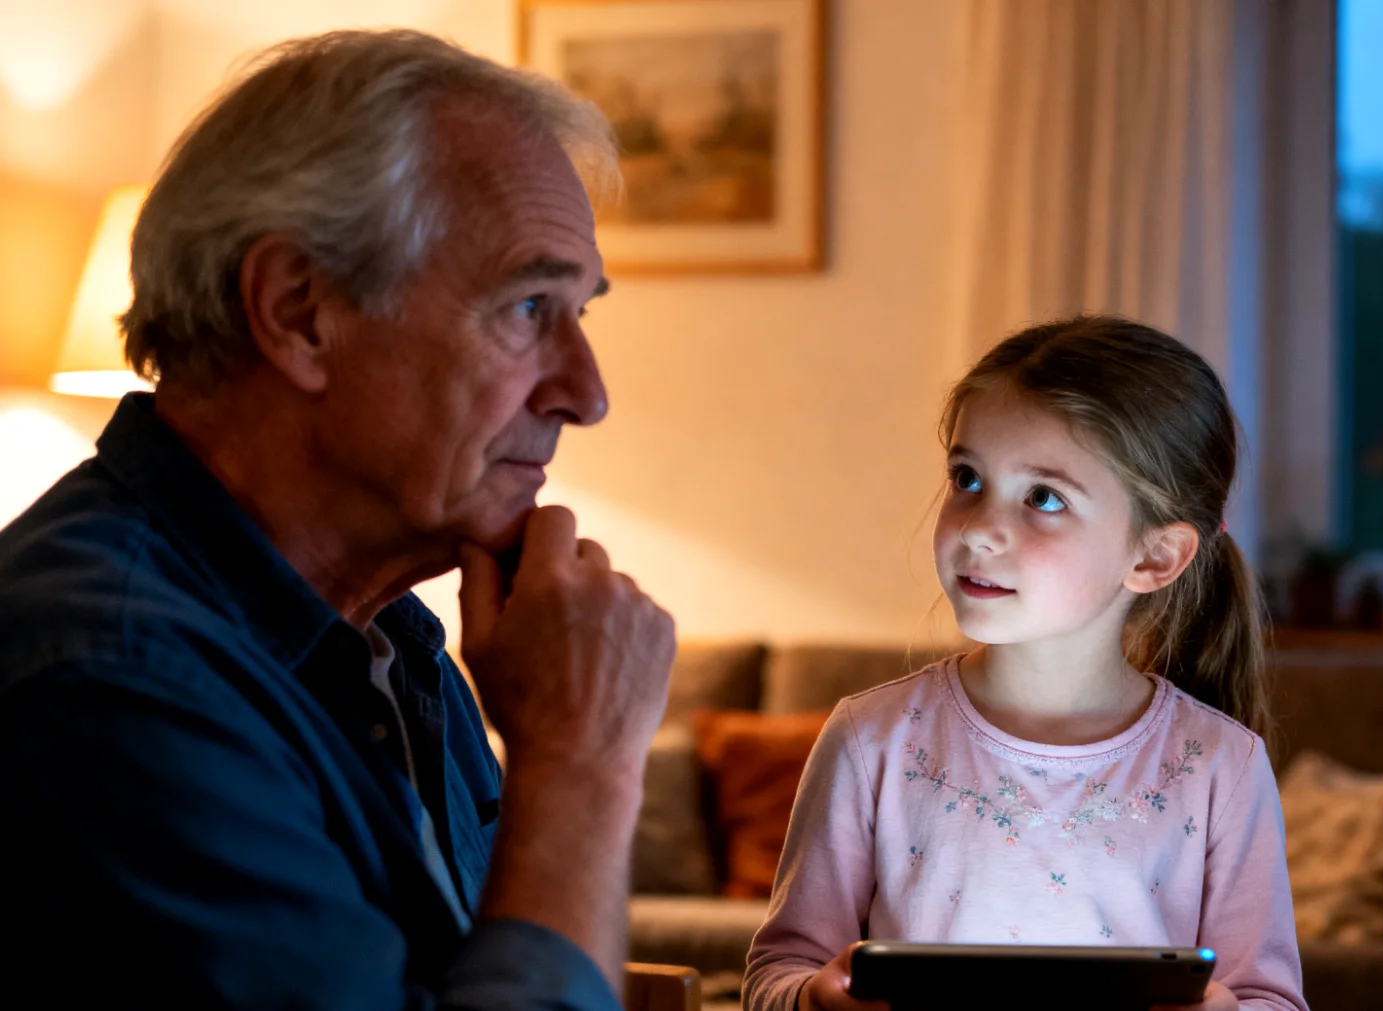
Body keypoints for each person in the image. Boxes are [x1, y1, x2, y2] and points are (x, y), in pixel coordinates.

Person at [0, 30, 675, 1010]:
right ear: (299, 311)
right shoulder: (110, 676)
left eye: (581, 314)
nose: (587, 393)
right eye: (530, 307)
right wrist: (580, 765)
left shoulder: (395, 644)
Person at [743, 315, 1308, 1011]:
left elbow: (1271, 1001)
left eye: (1043, 497)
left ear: (1154, 556)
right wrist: (811, 998)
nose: (979, 528)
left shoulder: (1223, 765)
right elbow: (777, 973)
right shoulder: (870, 738)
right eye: (967, 477)